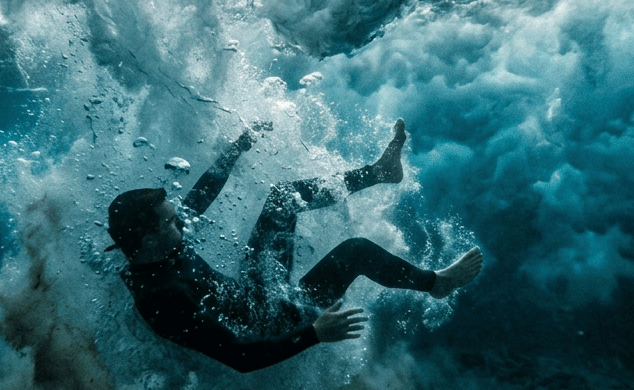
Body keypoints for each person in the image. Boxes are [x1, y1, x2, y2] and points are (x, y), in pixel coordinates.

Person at [106, 120, 482, 373]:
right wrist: (315, 333)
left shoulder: (152, 246)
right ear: (149, 236)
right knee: (356, 251)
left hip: (256, 292)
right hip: (273, 323)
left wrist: (237, 148)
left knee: (283, 197)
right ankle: (437, 284)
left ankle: (380, 172)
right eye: (172, 221)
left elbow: (199, 199)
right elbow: (239, 356)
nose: (182, 220)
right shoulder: (162, 297)